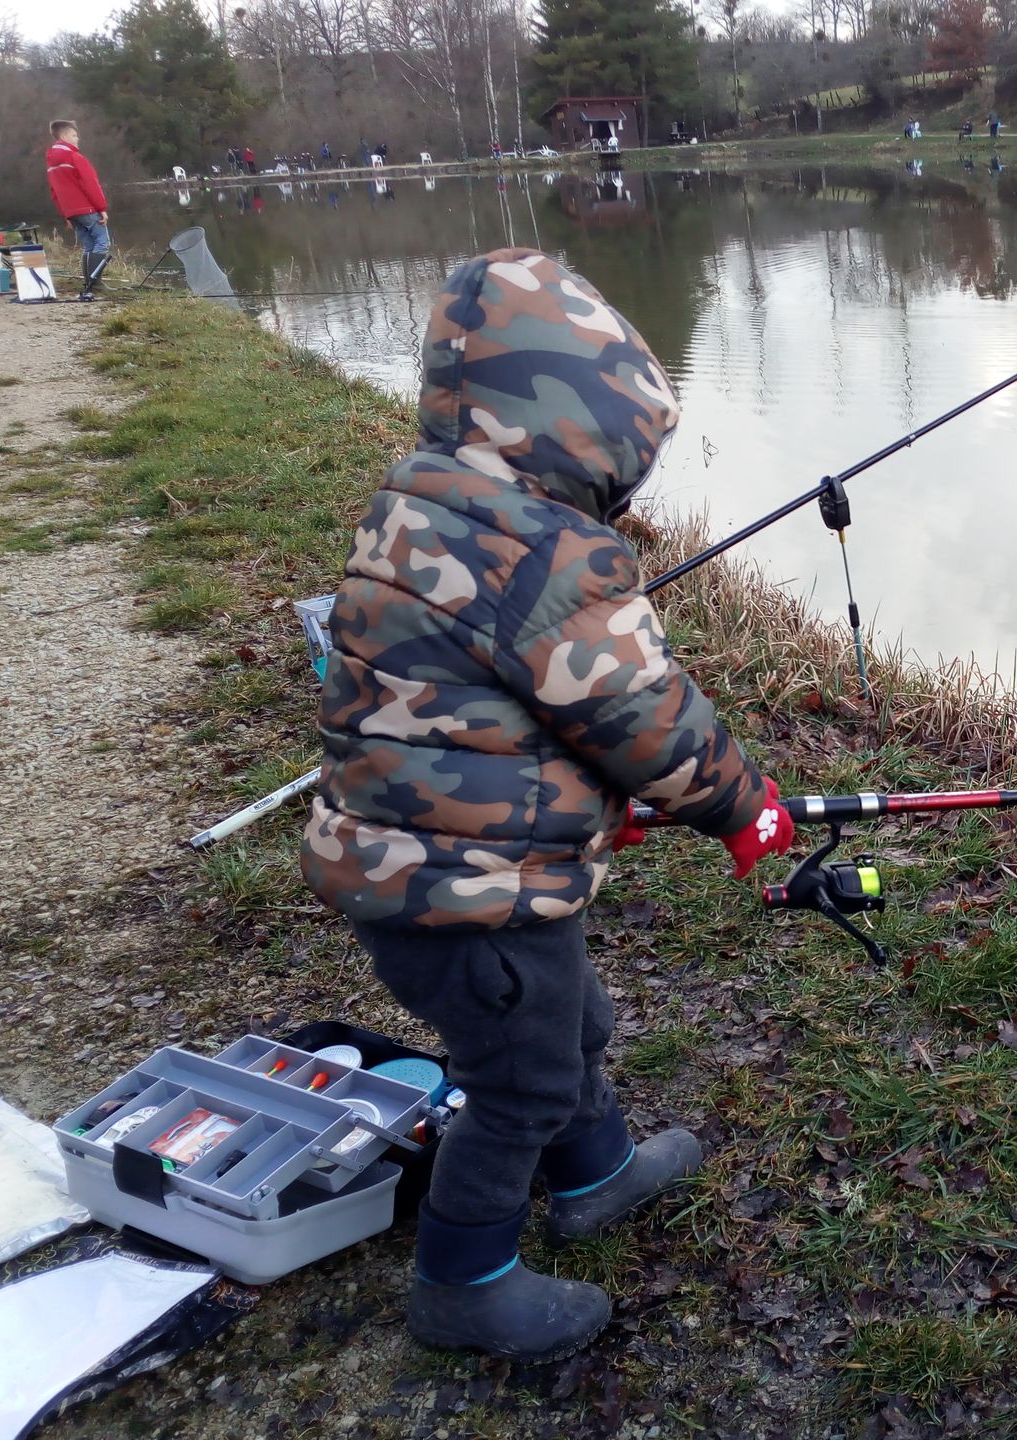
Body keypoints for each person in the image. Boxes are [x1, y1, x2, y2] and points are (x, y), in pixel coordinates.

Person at [301, 247, 796, 1363]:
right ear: (578, 423)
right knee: (516, 1083)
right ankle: (462, 1281)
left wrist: (572, 797)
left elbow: (488, 702)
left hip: (417, 863)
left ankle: (598, 1175)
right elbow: (643, 715)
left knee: (571, 1028)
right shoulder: (543, 551)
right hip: (466, 893)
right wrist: (741, 805)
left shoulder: (426, 499)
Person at [45, 119, 110, 301]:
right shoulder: (75, 157)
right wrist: (101, 208)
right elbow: (91, 184)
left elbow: (54, 192)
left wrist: (65, 214)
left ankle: (89, 281)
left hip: (71, 212)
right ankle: (95, 282)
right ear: (64, 136)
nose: (77, 139)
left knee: (89, 245)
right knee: (102, 242)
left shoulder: (51, 163)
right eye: (74, 135)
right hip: (87, 208)